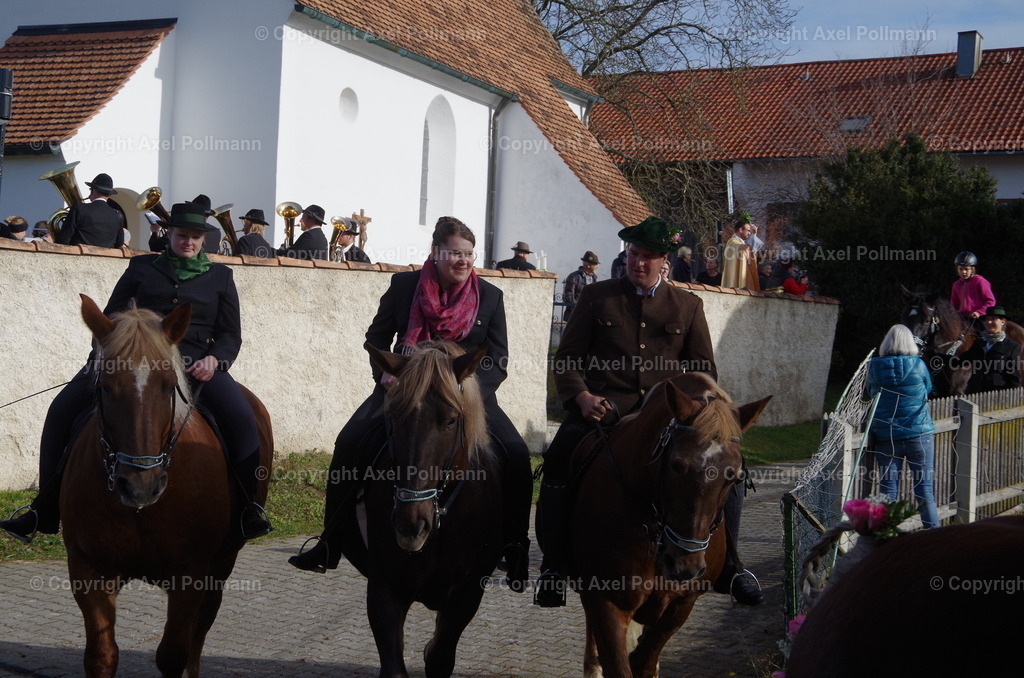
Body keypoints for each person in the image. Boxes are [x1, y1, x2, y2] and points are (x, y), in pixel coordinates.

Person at [0, 202, 272, 543]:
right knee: (61, 409)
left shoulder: (221, 276)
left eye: (195, 237)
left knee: (242, 418)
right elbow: (111, 318)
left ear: (203, 240)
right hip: (129, 363)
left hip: (196, 365)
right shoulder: (141, 268)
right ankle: (43, 508)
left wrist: (216, 360)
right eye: (181, 235)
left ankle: (249, 508)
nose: (188, 242)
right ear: (169, 234)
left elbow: (231, 333)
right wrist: (104, 358)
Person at [289, 216, 533, 592]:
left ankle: (516, 546)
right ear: (435, 253)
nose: (463, 261)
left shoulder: (490, 296)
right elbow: (377, 338)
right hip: (404, 392)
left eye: (469, 254)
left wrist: (465, 393)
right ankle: (329, 542)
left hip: (464, 399)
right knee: (349, 442)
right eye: (454, 253)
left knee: (516, 453)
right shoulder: (404, 286)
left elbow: (497, 360)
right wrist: (384, 374)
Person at [535, 216, 762, 607]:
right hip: (603, 411)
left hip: (670, 417)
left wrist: (694, 409)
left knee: (732, 471)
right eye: (634, 255)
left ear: (664, 262)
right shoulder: (597, 297)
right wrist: (582, 397)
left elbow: (704, 369)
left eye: (648, 257)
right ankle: (554, 566)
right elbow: (567, 359)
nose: (638, 263)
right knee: (557, 461)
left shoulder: (688, 305)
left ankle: (731, 565)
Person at [866, 324, 940, 529]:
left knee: (888, 490)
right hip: (919, 434)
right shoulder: (918, 365)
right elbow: (927, 389)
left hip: (887, 436)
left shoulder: (873, 366)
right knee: (924, 491)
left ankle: (884, 537)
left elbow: (870, 393)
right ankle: (934, 537)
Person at [56, 173, 124, 248]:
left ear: (92, 191)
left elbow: (63, 239)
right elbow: (119, 244)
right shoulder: (118, 215)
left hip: (79, 257)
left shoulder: (79, 208)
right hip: (105, 258)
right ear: (109, 195)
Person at [962, 306, 1021, 392]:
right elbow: (961, 360)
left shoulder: (1012, 347)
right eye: (987, 319)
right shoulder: (979, 343)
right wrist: (940, 357)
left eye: (993, 319)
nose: (989, 322)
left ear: (1003, 322)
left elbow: (1014, 378)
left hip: (997, 396)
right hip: (974, 393)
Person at [950, 252, 996, 329]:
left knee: (984, 336)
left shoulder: (980, 281)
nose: (963, 272)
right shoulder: (956, 285)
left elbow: (990, 301)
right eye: (961, 269)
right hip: (963, 318)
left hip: (979, 318)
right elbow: (954, 304)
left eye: (966, 269)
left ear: (972, 269)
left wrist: (979, 312)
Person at [721, 219, 759, 290]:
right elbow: (744, 249)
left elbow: (750, 251)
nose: (749, 233)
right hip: (735, 281)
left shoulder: (739, 242)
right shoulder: (732, 242)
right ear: (741, 230)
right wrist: (754, 235)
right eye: (748, 230)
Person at [562, 251, 599, 319]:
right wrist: (580, 307)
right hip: (575, 315)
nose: (597, 267)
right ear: (588, 265)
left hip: (589, 315)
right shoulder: (574, 277)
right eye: (595, 264)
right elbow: (569, 297)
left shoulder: (594, 277)